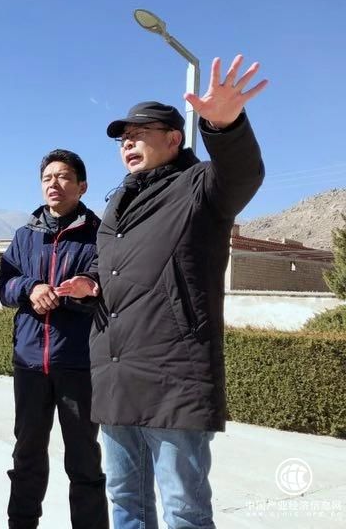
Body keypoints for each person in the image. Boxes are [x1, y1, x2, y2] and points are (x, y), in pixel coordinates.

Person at [90, 55, 268, 529]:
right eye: (123, 139)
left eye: (139, 133)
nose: (128, 143)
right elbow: (115, 272)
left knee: (184, 510)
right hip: (116, 377)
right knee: (125, 502)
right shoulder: (116, 204)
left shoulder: (200, 186)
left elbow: (242, 174)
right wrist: (90, 285)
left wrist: (225, 126)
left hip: (174, 379)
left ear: (173, 139)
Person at [0, 149, 109, 529]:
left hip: (78, 364)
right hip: (29, 363)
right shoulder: (24, 235)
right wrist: (30, 288)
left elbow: (109, 283)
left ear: (82, 186)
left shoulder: (100, 234)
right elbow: (5, 285)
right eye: (47, 178)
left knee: (83, 460)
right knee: (26, 455)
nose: (53, 184)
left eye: (63, 177)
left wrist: (87, 287)